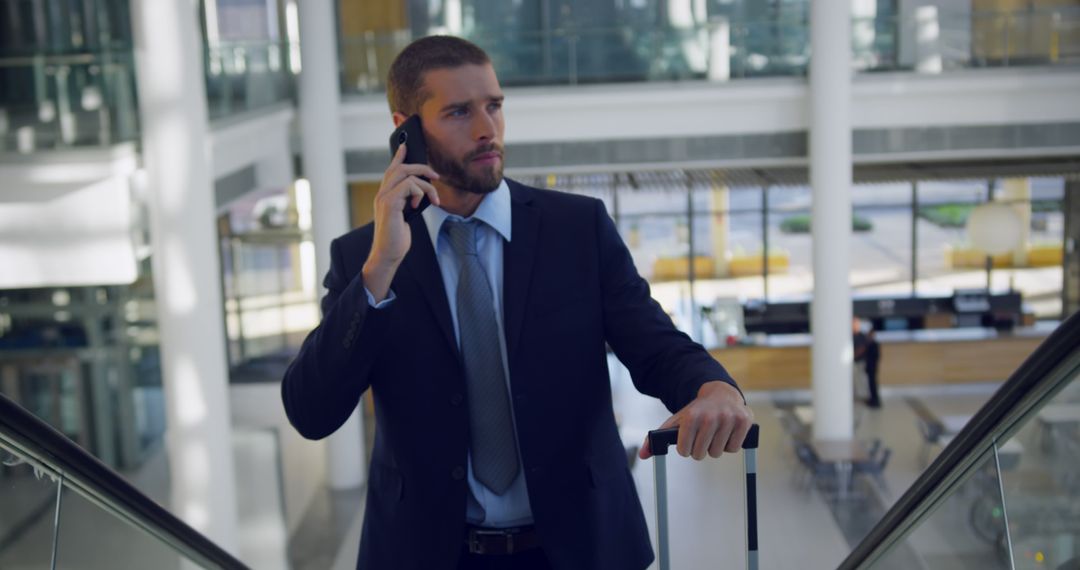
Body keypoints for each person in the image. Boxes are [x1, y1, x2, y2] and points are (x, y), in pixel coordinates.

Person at [281, 35, 752, 570]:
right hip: (431, 554)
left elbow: (656, 345)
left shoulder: (578, 228)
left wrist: (714, 388)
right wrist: (379, 270)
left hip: (580, 549)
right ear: (405, 129)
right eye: (459, 112)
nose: (487, 130)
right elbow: (311, 412)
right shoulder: (362, 259)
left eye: (494, 106)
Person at [853, 318, 882, 408]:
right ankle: (872, 399)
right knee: (869, 383)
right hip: (870, 367)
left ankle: (874, 400)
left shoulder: (871, 343)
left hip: (871, 367)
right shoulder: (869, 342)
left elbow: (869, 354)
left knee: (872, 384)